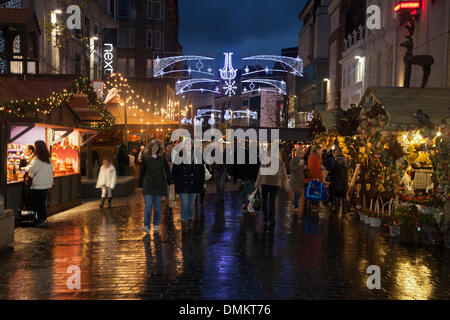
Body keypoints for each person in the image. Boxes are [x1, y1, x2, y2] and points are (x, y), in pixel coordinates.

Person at [172, 142, 205, 233]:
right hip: (183, 185)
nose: (188, 146)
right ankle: (184, 222)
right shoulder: (179, 157)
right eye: (186, 145)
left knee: (191, 205)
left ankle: (189, 219)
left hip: (194, 185)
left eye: (190, 145)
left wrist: (201, 183)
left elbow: (201, 171)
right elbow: (175, 172)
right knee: (185, 203)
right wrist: (175, 182)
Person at [139, 140, 170, 234]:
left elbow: (167, 169)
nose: (155, 148)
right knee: (148, 206)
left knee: (157, 207)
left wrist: (169, 180)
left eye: (157, 146)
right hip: (148, 185)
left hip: (159, 185)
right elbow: (142, 171)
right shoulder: (145, 157)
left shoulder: (162, 157)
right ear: (151, 147)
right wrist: (140, 185)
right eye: (154, 146)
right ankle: (146, 225)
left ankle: (156, 224)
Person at [255, 149, 289, 230]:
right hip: (275, 184)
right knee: (272, 201)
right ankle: (272, 218)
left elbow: (260, 173)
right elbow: (284, 176)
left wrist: (257, 183)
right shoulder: (281, 163)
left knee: (264, 200)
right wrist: (286, 186)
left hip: (265, 182)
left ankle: (266, 216)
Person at [24, 141, 53, 228]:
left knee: (38, 203)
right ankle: (42, 220)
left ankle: (41, 220)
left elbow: (33, 169)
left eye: (35, 147)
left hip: (39, 185)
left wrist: (25, 168)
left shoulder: (38, 158)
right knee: (41, 203)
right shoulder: (48, 158)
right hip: (45, 184)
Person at [239, 143, 260, 212]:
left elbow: (242, 167)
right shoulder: (257, 158)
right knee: (251, 192)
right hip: (253, 178)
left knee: (246, 191)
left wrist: (241, 177)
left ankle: (245, 204)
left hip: (247, 177)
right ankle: (248, 205)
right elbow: (259, 169)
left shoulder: (246, 157)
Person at [19, 145, 35, 210]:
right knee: (27, 198)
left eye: (25, 150)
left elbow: (30, 169)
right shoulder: (27, 158)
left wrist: (25, 168)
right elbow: (20, 168)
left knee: (30, 199)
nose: (24, 152)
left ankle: (30, 214)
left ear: (30, 151)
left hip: (31, 182)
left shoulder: (34, 159)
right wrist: (22, 159)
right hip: (27, 181)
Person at [290, 148, 305, 213]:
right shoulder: (294, 159)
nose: (302, 154)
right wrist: (299, 166)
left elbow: (300, 169)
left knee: (299, 193)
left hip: (300, 179)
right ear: (298, 153)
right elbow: (292, 169)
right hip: (296, 179)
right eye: (301, 153)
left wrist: (303, 167)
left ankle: (294, 202)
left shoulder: (301, 160)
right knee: (297, 193)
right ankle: (296, 206)